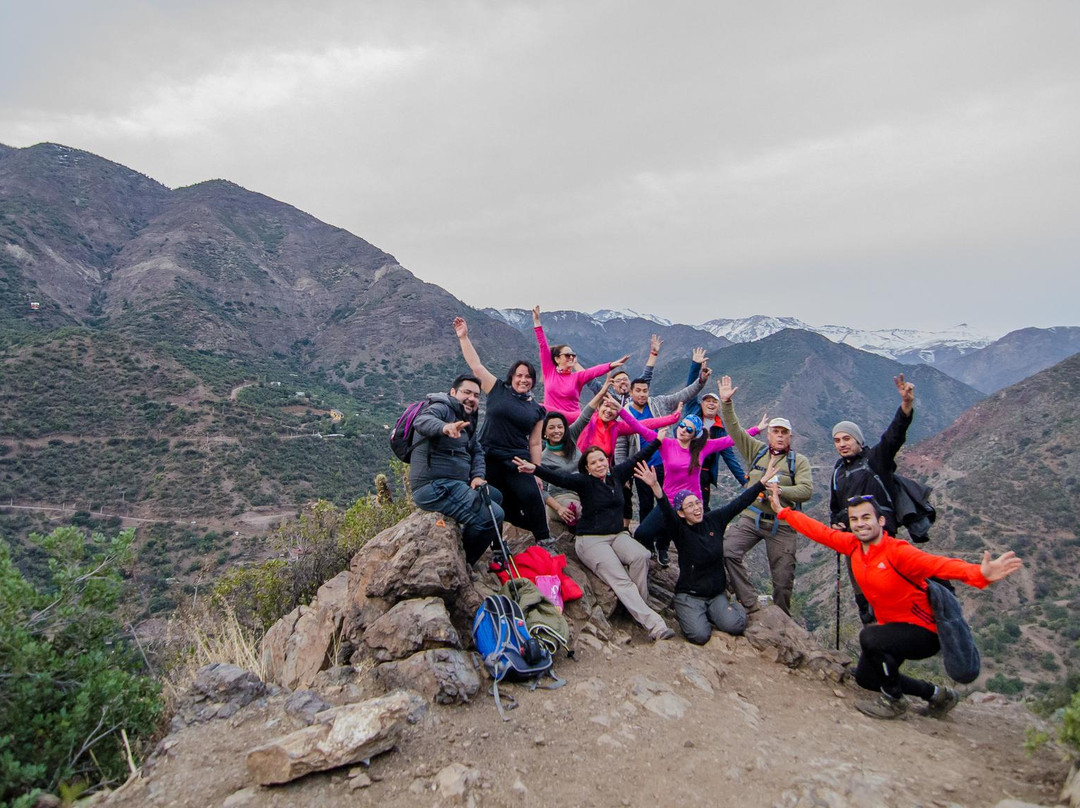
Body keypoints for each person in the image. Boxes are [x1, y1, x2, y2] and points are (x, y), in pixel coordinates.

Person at [768, 486, 1022, 720]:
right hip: (893, 630)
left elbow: (939, 564)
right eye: (854, 520)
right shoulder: (854, 546)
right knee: (867, 679)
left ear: (880, 521)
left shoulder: (898, 552)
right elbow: (820, 532)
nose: (860, 524)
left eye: (866, 518)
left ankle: (895, 701)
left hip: (924, 631)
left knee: (870, 637)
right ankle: (936, 694)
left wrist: (980, 574)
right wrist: (784, 512)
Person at [513, 436, 676, 641]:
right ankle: (655, 625)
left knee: (641, 556)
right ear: (587, 468)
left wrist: (658, 441)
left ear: (607, 461)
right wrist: (534, 469)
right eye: (593, 462)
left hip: (616, 535)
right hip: (591, 540)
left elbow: (638, 457)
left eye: (601, 460)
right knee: (621, 580)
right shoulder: (584, 482)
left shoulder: (616, 475)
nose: (599, 464)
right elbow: (559, 478)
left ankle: (637, 609)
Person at [633, 454, 782, 644]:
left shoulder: (714, 520)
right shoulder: (679, 529)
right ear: (681, 512)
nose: (697, 508)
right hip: (690, 595)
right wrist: (655, 487)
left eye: (698, 502)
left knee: (735, 625)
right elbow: (664, 508)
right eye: (690, 506)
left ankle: (726, 609)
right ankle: (691, 612)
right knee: (700, 635)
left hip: (715, 594)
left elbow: (739, 503)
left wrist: (762, 482)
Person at [622, 409, 766, 568]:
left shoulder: (703, 447)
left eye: (689, 429)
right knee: (643, 533)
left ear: (695, 434)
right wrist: (620, 409)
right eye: (682, 425)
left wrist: (756, 429)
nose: (683, 430)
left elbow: (731, 440)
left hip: (692, 504)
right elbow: (638, 426)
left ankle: (664, 548)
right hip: (669, 501)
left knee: (692, 541)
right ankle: (656, 548)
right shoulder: (666, 443)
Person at [717, 375, 812, 615]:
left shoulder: (798, 462)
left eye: (784, 432)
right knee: (728, 551)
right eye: (775, 431)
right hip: (752, 517)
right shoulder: (757, 451)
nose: (779, 436)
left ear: (790, 437)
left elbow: (806, 491)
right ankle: (751, 604)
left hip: (782, 524)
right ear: (768, 435)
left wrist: (779, 490)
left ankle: (781, 621)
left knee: (782, 581)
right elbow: (735, 431)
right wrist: (726, 404)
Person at [454, 317, 551, 546]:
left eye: (528, 376)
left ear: (533, 380)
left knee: (530, 496)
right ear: (512, 376)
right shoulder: (497, 389)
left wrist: (537, 472)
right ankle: (498, 546)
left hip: (517, 459)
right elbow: (476, 366)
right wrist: (464, 337)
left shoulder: (537, 410)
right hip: (488, 455)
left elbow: (535, 443)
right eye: (519, 375)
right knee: (495, 502)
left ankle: (545, 541)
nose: (523, 379)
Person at [830, 373, 917, 624]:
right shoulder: (838, 470)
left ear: (858, 440)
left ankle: (890, 649)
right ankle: (873, 649)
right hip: (853, 543)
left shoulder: (876, 460)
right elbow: (835, 508)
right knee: (863, 602)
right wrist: (836, 523)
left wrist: (906, 406)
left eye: (847, 439)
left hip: (882, 541)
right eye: (837, 440)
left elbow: (894, 436)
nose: (842, 444)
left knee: (885, 599)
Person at [409, 374, 505, 566]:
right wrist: (445, 427)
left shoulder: (466, 417)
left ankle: (496, 549)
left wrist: (477, 476)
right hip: (434, 486)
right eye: (466, 392)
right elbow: (422, 421)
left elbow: (476, 450)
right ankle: (463, 564)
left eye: (476, 395)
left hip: (454, 484)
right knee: (493, 515)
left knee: (494, 496)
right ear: (453, 392)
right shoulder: (442, 407)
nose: (472, 398)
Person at [622, 351, 712, 528]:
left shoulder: (659, 403)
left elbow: (684, 394)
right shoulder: (624, 414)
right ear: (631, 392)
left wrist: (701, 380)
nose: (641, 394)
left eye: (645, 390)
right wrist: (623, 473)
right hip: (642, 467)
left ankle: (665, 542)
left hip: (666, 464)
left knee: (669, 504)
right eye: (638, 391)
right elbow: (620, 447)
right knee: (646, 505)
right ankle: (647, 541)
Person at [540, 378, 616, 538]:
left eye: (560, 426)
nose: (557, 431)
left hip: (584, 490)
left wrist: (602, 392)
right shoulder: (543, 457)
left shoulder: (571, 437)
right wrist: (558, 508)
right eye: (551, 428)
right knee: (582, 511)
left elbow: (586, 413)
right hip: (561, 498)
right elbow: (541, 491)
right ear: (545, 433)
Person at [532, 305, 629, 420]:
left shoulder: (577, 377)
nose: (571, 358)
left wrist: (611, 365)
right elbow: (543, 346)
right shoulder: (549, 372)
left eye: (573, 355)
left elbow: (594, 371)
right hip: (553, 423)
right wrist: (537, 322)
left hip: (575, 423)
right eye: (567, 355)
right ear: (557, 359)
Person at [682, 348, 749, 505]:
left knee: (701, 508)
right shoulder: (693, 411)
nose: (711, 404)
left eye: (714, 402)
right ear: (702, 403)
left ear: (718, 406)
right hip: (684, 468)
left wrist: (745, 482)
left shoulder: (720, 429)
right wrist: (695, 366)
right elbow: (689, 390)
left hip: (704, 473)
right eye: (708, 401)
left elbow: (729, 456)